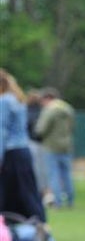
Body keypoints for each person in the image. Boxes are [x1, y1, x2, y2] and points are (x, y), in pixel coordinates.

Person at [0, 69, 48, 225]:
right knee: (27, 191)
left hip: (11, 152)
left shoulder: (4, 102)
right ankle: (38, 224)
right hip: (23, 151)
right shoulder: (17, 99)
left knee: (8, 192)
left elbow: (2, 130)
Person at [35, 87, 76, 208]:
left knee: (53, 174)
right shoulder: (68, 108)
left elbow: (41, 129)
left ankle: (57, 201)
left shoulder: (50, 110)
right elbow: (72, 126)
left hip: (51, 146)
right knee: (67, 174)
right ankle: (70, 201)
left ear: (48, 98)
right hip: (67, 145)